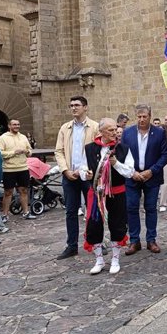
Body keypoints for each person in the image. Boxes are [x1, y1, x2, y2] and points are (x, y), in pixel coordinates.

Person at [80, 118, 135, 274]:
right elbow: (82, 168)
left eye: (116, 129)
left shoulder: (123, 149)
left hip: (117, 192)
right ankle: (99, 260)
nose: (115, 132)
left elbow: (130, 172)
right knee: (94, 226)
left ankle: (115, 260)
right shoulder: (90, 149)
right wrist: (87, 174)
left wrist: (116, 163)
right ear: (101, 131)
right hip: (96, 193)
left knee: (117, 224)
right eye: (111, 130)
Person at [54, 96, 99, 259]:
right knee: (71, 211)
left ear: (85, 107)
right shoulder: (65, 128)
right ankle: (71, 245)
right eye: (71, 105)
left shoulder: (94, 127)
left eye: (77, 105)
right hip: (70, 176)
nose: (73, 108)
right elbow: (59, 151)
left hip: (88, 176)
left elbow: (98, 151)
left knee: (93, 211)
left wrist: (91, 170)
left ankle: (96, 242)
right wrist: (65, 170)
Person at [122, 104, 167, 255]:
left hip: (152, 176)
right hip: (133, 177)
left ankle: (151, 240)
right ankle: (134, 241)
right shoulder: (127, 133)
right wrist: (132, 172)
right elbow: (122, 154)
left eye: (145, 116)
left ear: (150, 116)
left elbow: (165, 154)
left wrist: (152, 170)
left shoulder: (159, 133)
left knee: (151, 208)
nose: (142, 119)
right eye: (139, 117)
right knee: (131, 207)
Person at [0, 119, 36, 221]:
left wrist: (26, 151)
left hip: (23, 168)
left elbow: (30, 151)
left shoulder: (23, 137)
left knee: (23, 190)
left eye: (18, 124)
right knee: (8, 192)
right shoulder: (3, 138)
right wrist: (14, 152)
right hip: (9, 169)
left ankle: (26, 212)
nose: (17, 126)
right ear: (9, 126)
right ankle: (5, 215)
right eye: (14, 124)